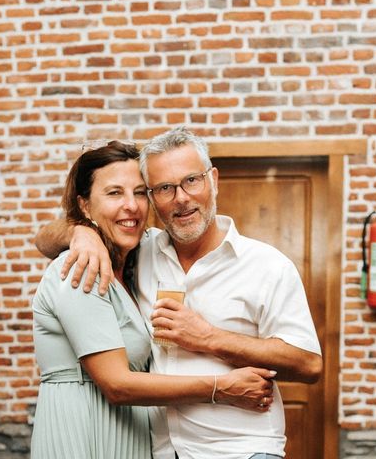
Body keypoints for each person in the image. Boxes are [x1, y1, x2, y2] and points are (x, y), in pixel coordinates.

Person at [35, 127, 323, 459]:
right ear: (155, 198)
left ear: (213, 180)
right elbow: (45, 238)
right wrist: (80, 233)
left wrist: (209, 337)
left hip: (240, 451)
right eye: (164, 188)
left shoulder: (268, 266)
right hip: (161, 450)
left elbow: (309, 365)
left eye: (192, 180)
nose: (181, 198)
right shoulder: (141, 251)